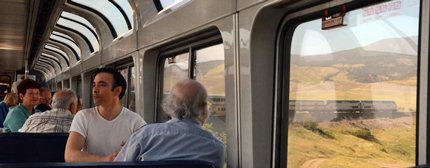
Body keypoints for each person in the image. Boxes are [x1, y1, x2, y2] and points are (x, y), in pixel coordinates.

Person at [114, 79, 225, 167]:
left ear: (169, 104)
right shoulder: (216, 147)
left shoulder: (145, 135)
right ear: (204, 107)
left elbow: (118, 166)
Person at [65, 68, 146, 162]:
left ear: (117, 91)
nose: (95, 90)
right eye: (94, 85)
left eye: (102, 85)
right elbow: (70, 155)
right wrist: (104, 160)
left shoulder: (135, 121)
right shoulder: (83, 117)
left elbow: (146, 153)